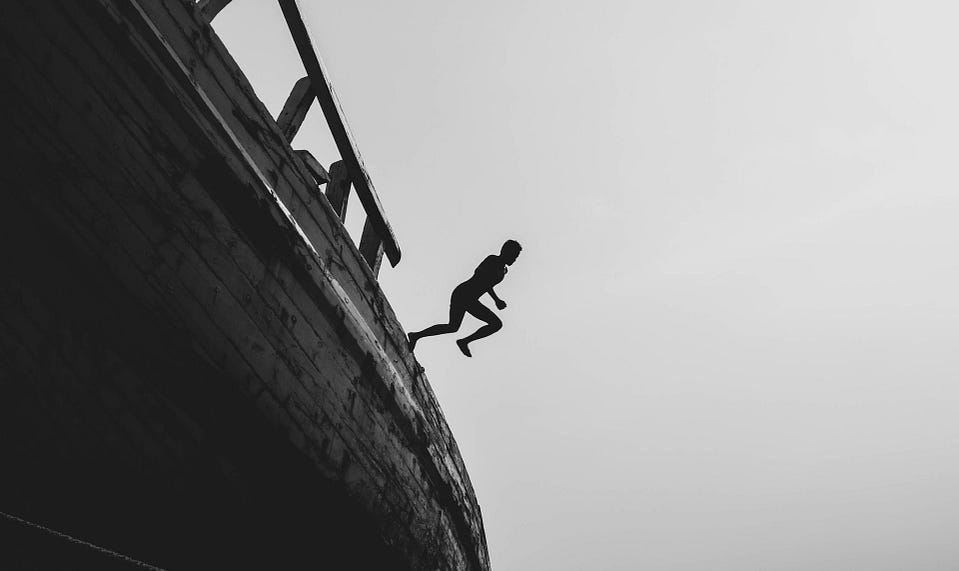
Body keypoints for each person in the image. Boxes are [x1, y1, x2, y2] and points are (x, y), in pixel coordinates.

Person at [408, 240, 522, 357]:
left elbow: (488, 285)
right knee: (455, 326)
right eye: (514, 255)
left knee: (456, 326)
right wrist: (496, 300)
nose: (514, 259)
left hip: (471, 299)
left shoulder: (504, 271)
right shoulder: (492, 260)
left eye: (516, 257)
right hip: (463, 294)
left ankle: (417, 335)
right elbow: (481, 278)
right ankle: (419, 336)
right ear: (505, 252)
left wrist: (497, 300)